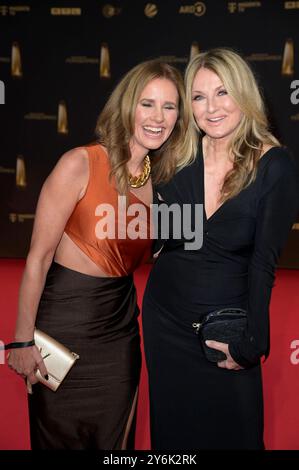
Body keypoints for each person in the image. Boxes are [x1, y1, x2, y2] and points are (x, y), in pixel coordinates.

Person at [7, 59, 194, 449]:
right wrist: (22, 342)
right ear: (127, 106)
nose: (158, 117)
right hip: (63, 331)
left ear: (179, 116)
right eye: (147, 104)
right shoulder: (79, 164)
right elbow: (38, 259)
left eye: (170, 106)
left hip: (118, 338)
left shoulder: (161, 184)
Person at [142, 48, 299, 450]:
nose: (210, 108)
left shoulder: (273, 165)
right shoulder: (177, 156)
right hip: (165, 323)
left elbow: (264, 263)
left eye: (222, 93)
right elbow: (161, 234)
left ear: (244, 95)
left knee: (238, 435)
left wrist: (253, 344)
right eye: (198, 97)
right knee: (174, 441)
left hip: (223, 332)